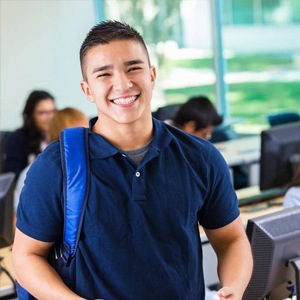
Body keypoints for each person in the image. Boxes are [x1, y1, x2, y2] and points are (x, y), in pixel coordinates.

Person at [12, 20, 253, 300]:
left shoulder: (201, 156)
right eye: (104, 74)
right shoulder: (56, 166)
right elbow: (26, 257)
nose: (123, 84)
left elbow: (230, 239)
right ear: (87, 90)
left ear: (152, 74)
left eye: (133, 68)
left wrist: (234, 289)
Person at [13, 107, 89, 214]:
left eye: (87, 134)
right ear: (58, 138)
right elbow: (18, 220)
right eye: (77, 137)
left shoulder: (91, 167)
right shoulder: (34, 172)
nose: (86, 141)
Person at [3, 90, 56, 178]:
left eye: (53, 111)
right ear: (30, 115)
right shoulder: (17, 139)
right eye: (42, 113)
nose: (50, 117)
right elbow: (11, 175)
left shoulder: (60, 136)